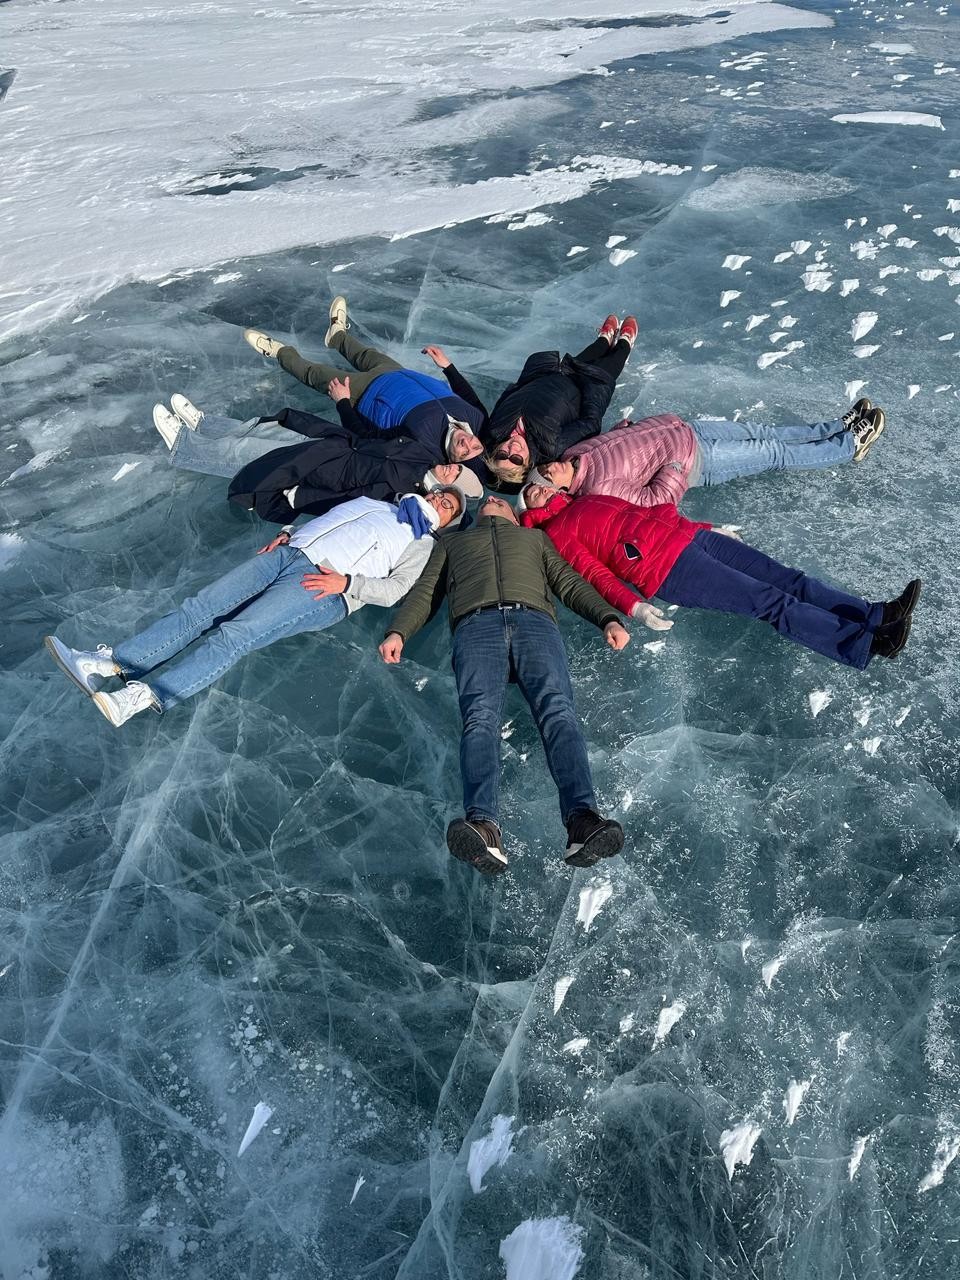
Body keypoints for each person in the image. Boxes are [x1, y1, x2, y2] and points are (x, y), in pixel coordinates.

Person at [44, 488, 465, 726]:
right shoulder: (376, 504)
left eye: (451, 506)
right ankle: (112, 664)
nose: (443, 499)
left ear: (447, 523)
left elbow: (395, 590)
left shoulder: (421, 541)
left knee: (234, 636)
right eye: (443, 494)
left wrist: (348, 583)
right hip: (287, 554)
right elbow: (327, 520)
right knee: (200, 608)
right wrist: (288, 532)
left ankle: (139, 698)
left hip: (320, 587)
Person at [378, 494, 631, 874]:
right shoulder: (452, 542)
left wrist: (607, 618)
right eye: (485, 500)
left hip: (535, 624)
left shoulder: (535, 539)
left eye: (500, 499)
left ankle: (582, 820)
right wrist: (399, 630)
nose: (492, 499)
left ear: (515, 516)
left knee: (558, 713)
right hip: (475, 627)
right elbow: (427, 592)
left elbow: (568, 582)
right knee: (480, 720)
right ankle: (484, 826)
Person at [518, 482, 919, 670]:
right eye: (528, 493)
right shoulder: (556, 531)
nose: (535, 490)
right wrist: (634, 607)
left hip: (691, 539)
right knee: (771, 602)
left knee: (789, 580)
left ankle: (877, 615)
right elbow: (594, 574)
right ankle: (866, 645)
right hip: (669, 569)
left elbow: (651, 514)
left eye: (537, 484)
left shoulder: (586, 498)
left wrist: (704, 526)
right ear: (527, 508)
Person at [151, 393, 484, 524]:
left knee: (250, 456)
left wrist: (298, 497)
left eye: (455, 474)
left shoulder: (400, 494)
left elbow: (347, 501)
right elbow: (373, 438)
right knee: (266, 431)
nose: (454, 466)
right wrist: (343, 406)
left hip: (314, 471)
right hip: (330, 444)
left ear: (442, 487)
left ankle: (184, 445)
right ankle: (205, 425)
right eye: (458, 465)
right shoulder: (421, 453)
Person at [242, 296, 488, 469]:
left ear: (454, 461)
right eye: (475, 447)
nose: (467, 444)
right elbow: (469, 397)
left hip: (367, 393)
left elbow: (368, 439)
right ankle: (337, 336)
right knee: (363, 353)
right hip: (399, 375)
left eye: (464, 453)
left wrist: (344, 404)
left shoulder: (422, 447)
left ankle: (278, 352)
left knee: (313, 373)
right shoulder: (476, 421)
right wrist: (448, 367)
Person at [527, 398, 886, 508]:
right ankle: (849, 444)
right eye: (547, 475)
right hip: (698, 461)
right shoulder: (596, 490)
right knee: (773, 452)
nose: (550, 467)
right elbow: (655, 499)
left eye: (543, 466)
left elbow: (619, 448)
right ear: (557, 491)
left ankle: (835, 426)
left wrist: (626, 430)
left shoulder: (576, 453)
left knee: (765, 432)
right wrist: (675, 465)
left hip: (687, 430)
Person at [422, 314, 638, 488]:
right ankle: (624, 344)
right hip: (584, 385)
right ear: (527, 464)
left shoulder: (494, 433)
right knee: (617, 354)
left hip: (550, 374)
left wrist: (448, 368)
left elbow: (473, 404)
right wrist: (595, 384)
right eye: (516, 459)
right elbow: (590, 423)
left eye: (503, 455)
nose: (512, 450)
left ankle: (604, 338)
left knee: (596, 348)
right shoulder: (552, 445)